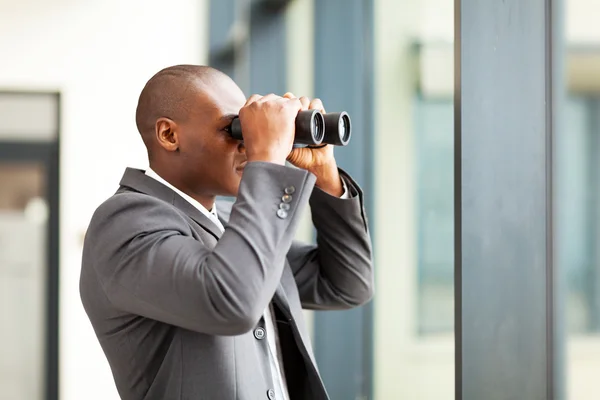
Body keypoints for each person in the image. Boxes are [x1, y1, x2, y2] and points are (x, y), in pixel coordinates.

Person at [79, 64, 374, 400]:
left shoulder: (234, 220)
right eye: (235, 130)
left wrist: (324, 174)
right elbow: (232, 301)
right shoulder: (123, 222)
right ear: (169, 135)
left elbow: (346, 284)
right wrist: (267, 161)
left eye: (250, 131)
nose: (248, 147)